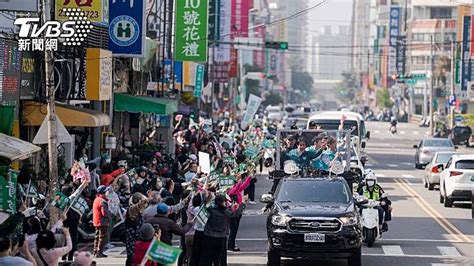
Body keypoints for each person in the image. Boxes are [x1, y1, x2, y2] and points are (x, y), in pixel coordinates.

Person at [199, 195, 231, 266]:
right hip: (221, 237)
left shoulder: (211, 210)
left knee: (208, 258)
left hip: (209, 236)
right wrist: (242, 205)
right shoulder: (226, 212)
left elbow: (202, 207)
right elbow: (235, 213)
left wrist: (207, 199)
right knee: (218, 258)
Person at [125, 193, 149, 266]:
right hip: (132, 241)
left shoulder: (139, 212)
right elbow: (137, 206)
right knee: (131, 258)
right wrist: (144, 200)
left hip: (138, 240)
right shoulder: (131, 209)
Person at [92, 185, 110, 258]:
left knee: (97, 237)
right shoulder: (103, 201)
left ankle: (95, 251)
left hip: (96, 221)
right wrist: (109, 214)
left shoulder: (97, 199)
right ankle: (99, 252)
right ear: (103, 192)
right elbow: (104, 213)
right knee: (102, 237)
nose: (107, 193)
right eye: (106, 191)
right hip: (102, 222)